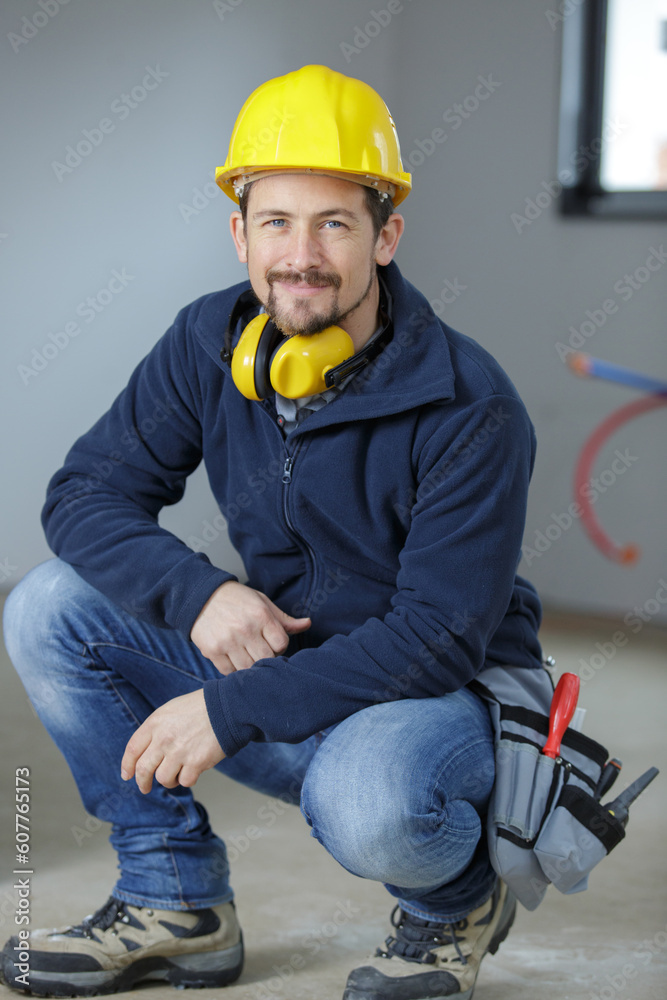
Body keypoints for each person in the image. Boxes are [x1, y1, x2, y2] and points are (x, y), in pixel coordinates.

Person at [2, 64, 543, 1000]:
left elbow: (441, 635)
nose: (301, 255)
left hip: (438, 693)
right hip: (289, 664)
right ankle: (175, 901)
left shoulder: (470, 404)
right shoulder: (207, 342)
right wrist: (198, 592)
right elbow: (85, 493)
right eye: (276, 222)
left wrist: (228, 709)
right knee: (51, 605)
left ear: (386, 237)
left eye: (334, 222)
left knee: (367, 802)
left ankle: (455, 898)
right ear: (239, 233)